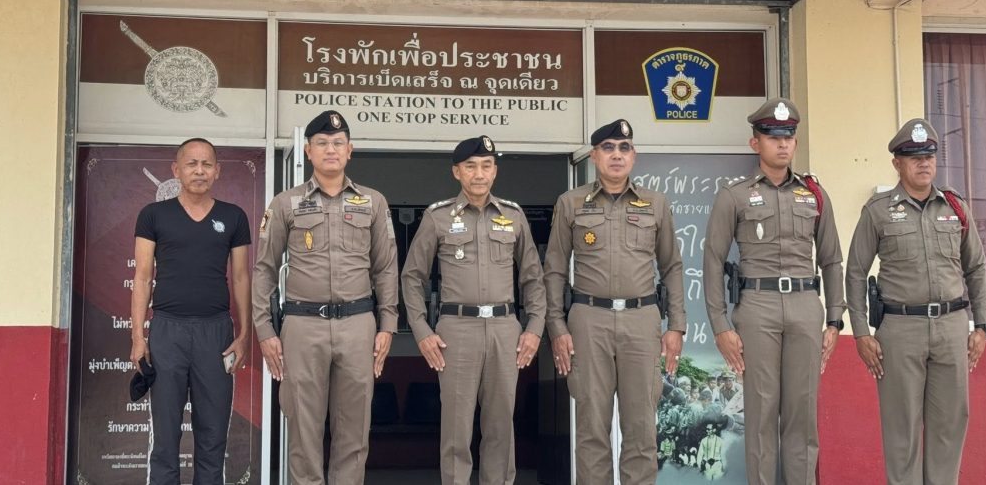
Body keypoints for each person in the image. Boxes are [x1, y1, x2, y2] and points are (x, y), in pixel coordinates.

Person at [251, 111, 399, 485]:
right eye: (321, 143)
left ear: (350, 150)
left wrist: (387, 325)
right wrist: (265, 330)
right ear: (308, 151)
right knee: (303, 429)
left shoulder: (373, 202)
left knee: (354, 431)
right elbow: (265, 269)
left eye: (337, 143)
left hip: (358, 325)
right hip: (302, 327)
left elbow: (385, 268)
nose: (330, 149)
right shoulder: (285, 203)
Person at [702, 98, 845, 485]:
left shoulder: (813, 194)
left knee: (802, 414)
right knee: (762, 414)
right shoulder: (734, 195)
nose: (782, 143)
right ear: (756, 143)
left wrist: (835, 320)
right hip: (757, 307)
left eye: (789, 136)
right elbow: (712, 260)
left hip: (805, 306)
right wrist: (720, 325)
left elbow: (831, 259)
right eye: (773, 136)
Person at [845, 118, 986, 485]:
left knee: (950, 425)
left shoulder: (955, 207)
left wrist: (982, 326)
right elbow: (855, 272)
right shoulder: (878, 210)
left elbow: (976, 267)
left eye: (929, 155)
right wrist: (860, 333)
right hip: (900, 330)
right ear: (897, 163)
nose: (923, 162)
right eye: (914, 157)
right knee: (902, 429)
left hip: (951, 328)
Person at [543, 118, 687, 484]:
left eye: (624, 148)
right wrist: (556, 327)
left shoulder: (655, 203)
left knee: (641, 430)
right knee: (592, 428)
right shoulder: (571, 203)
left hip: (642, 320)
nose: (617, 155)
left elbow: (672, 266)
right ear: (594, 156)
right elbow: (554, 270)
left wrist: (676, 326)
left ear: (634, 155)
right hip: (589, 320)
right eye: (608, 148)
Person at [401, 135, 547, 485]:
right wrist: (422, 331)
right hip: (456, 331)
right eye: (470, 166)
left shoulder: (513, 216)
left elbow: (533, 278)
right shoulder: (437, 217)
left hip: (504, 329)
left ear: (495, 170)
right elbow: (412, 277)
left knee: (501, 428)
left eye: (486, 166)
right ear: (457, 172)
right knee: (456, 431)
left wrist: (534, 328)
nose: (479, 174)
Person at [129, 137, 252, 485]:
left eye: (207, 164)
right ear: (176, 170)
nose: (200, 171)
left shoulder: (233, 217)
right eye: (191, 164)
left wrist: (244, 335)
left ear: (217, 171)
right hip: (168, 331)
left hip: (216, 334)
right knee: (165, 434)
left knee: (213, 434)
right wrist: (138, 338)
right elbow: (142, 277)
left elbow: (241, 277)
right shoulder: (153, 215)